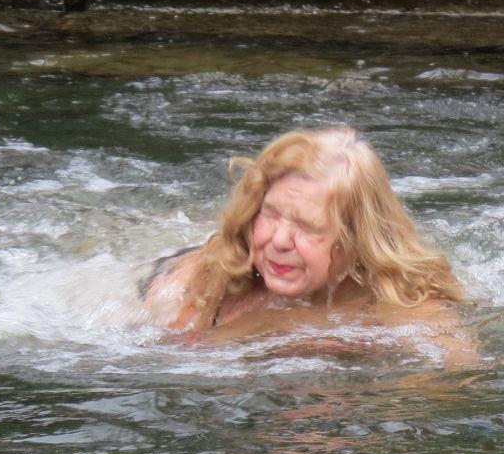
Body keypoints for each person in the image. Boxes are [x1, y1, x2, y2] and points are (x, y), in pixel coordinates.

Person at [143, 127, 473, 365]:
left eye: (307, 226)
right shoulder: (212, 270)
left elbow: (460, 369)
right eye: (270, 214)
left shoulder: (398, 301)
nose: (279, 240)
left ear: (357, 240)